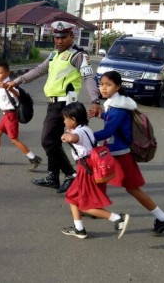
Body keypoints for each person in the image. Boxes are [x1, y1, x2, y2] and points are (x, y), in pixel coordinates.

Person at [7, 21, 102, 193]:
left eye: (63, 37)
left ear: (72, 36)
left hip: (66, 104)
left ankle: (70, 174)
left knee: (48, 140)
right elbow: (38, 70)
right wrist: (17, 81)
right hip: (54, 103)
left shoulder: (78, 56)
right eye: (56, 38)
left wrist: (95, 101)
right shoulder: (54, 55)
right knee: (54, 140)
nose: (59, 41)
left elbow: (89, 78)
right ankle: (52, 176)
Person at [90, 71, 164, 234]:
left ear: (118, 86)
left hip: (120, 155)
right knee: (98, 179)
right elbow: (113, 122)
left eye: (108, 85)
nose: (103, 88)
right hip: (114, 152)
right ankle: (94, 208)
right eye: (101, 84)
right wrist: (101, 114)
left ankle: (163, 218)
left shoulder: (118, 108)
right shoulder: (115, 104)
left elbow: (109, 131)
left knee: (131, 188)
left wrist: (84, 135)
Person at [59, 102, 130, 239]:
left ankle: (117, 218)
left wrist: (65, 137)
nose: (64, 121)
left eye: (65, 118)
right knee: (71, 197)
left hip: (85, 169)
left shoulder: (78, 133)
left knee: (84, 205)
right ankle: (79, 229)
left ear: (73, 119)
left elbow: (74, 138)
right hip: (90, 166)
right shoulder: (86, 129)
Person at [0, 63, 42, 172]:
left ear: (7, 73)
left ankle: (34, 158)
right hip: (5, 115)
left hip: (11, 115)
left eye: (0, 73)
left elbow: (17, 94)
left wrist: (8, 87)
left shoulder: (9, 84)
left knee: (14, 140)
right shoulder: (2, 83)